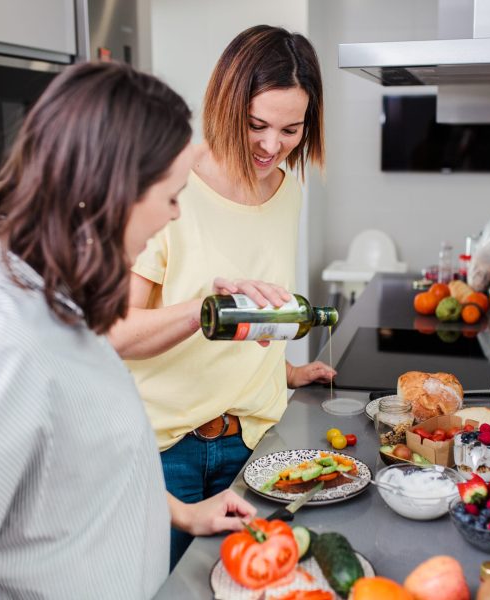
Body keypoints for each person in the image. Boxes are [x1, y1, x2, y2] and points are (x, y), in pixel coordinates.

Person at [0, 62, 255, 599]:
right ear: (114, 191)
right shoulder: (1, 347)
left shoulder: (63, 312)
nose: (175, 214)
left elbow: (81, 468)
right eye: (171, 196)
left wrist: (184, 515)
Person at [107, 25, 333, 567]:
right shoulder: (171, 182)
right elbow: (115, 333)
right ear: (226, 104)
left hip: (254, 440)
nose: (272, 146)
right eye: (257, 125)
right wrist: (202, 314)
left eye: (291, 129)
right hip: (167, 450)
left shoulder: (288, 189)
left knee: (245, 582)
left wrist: (283, 370)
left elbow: (260, 306)